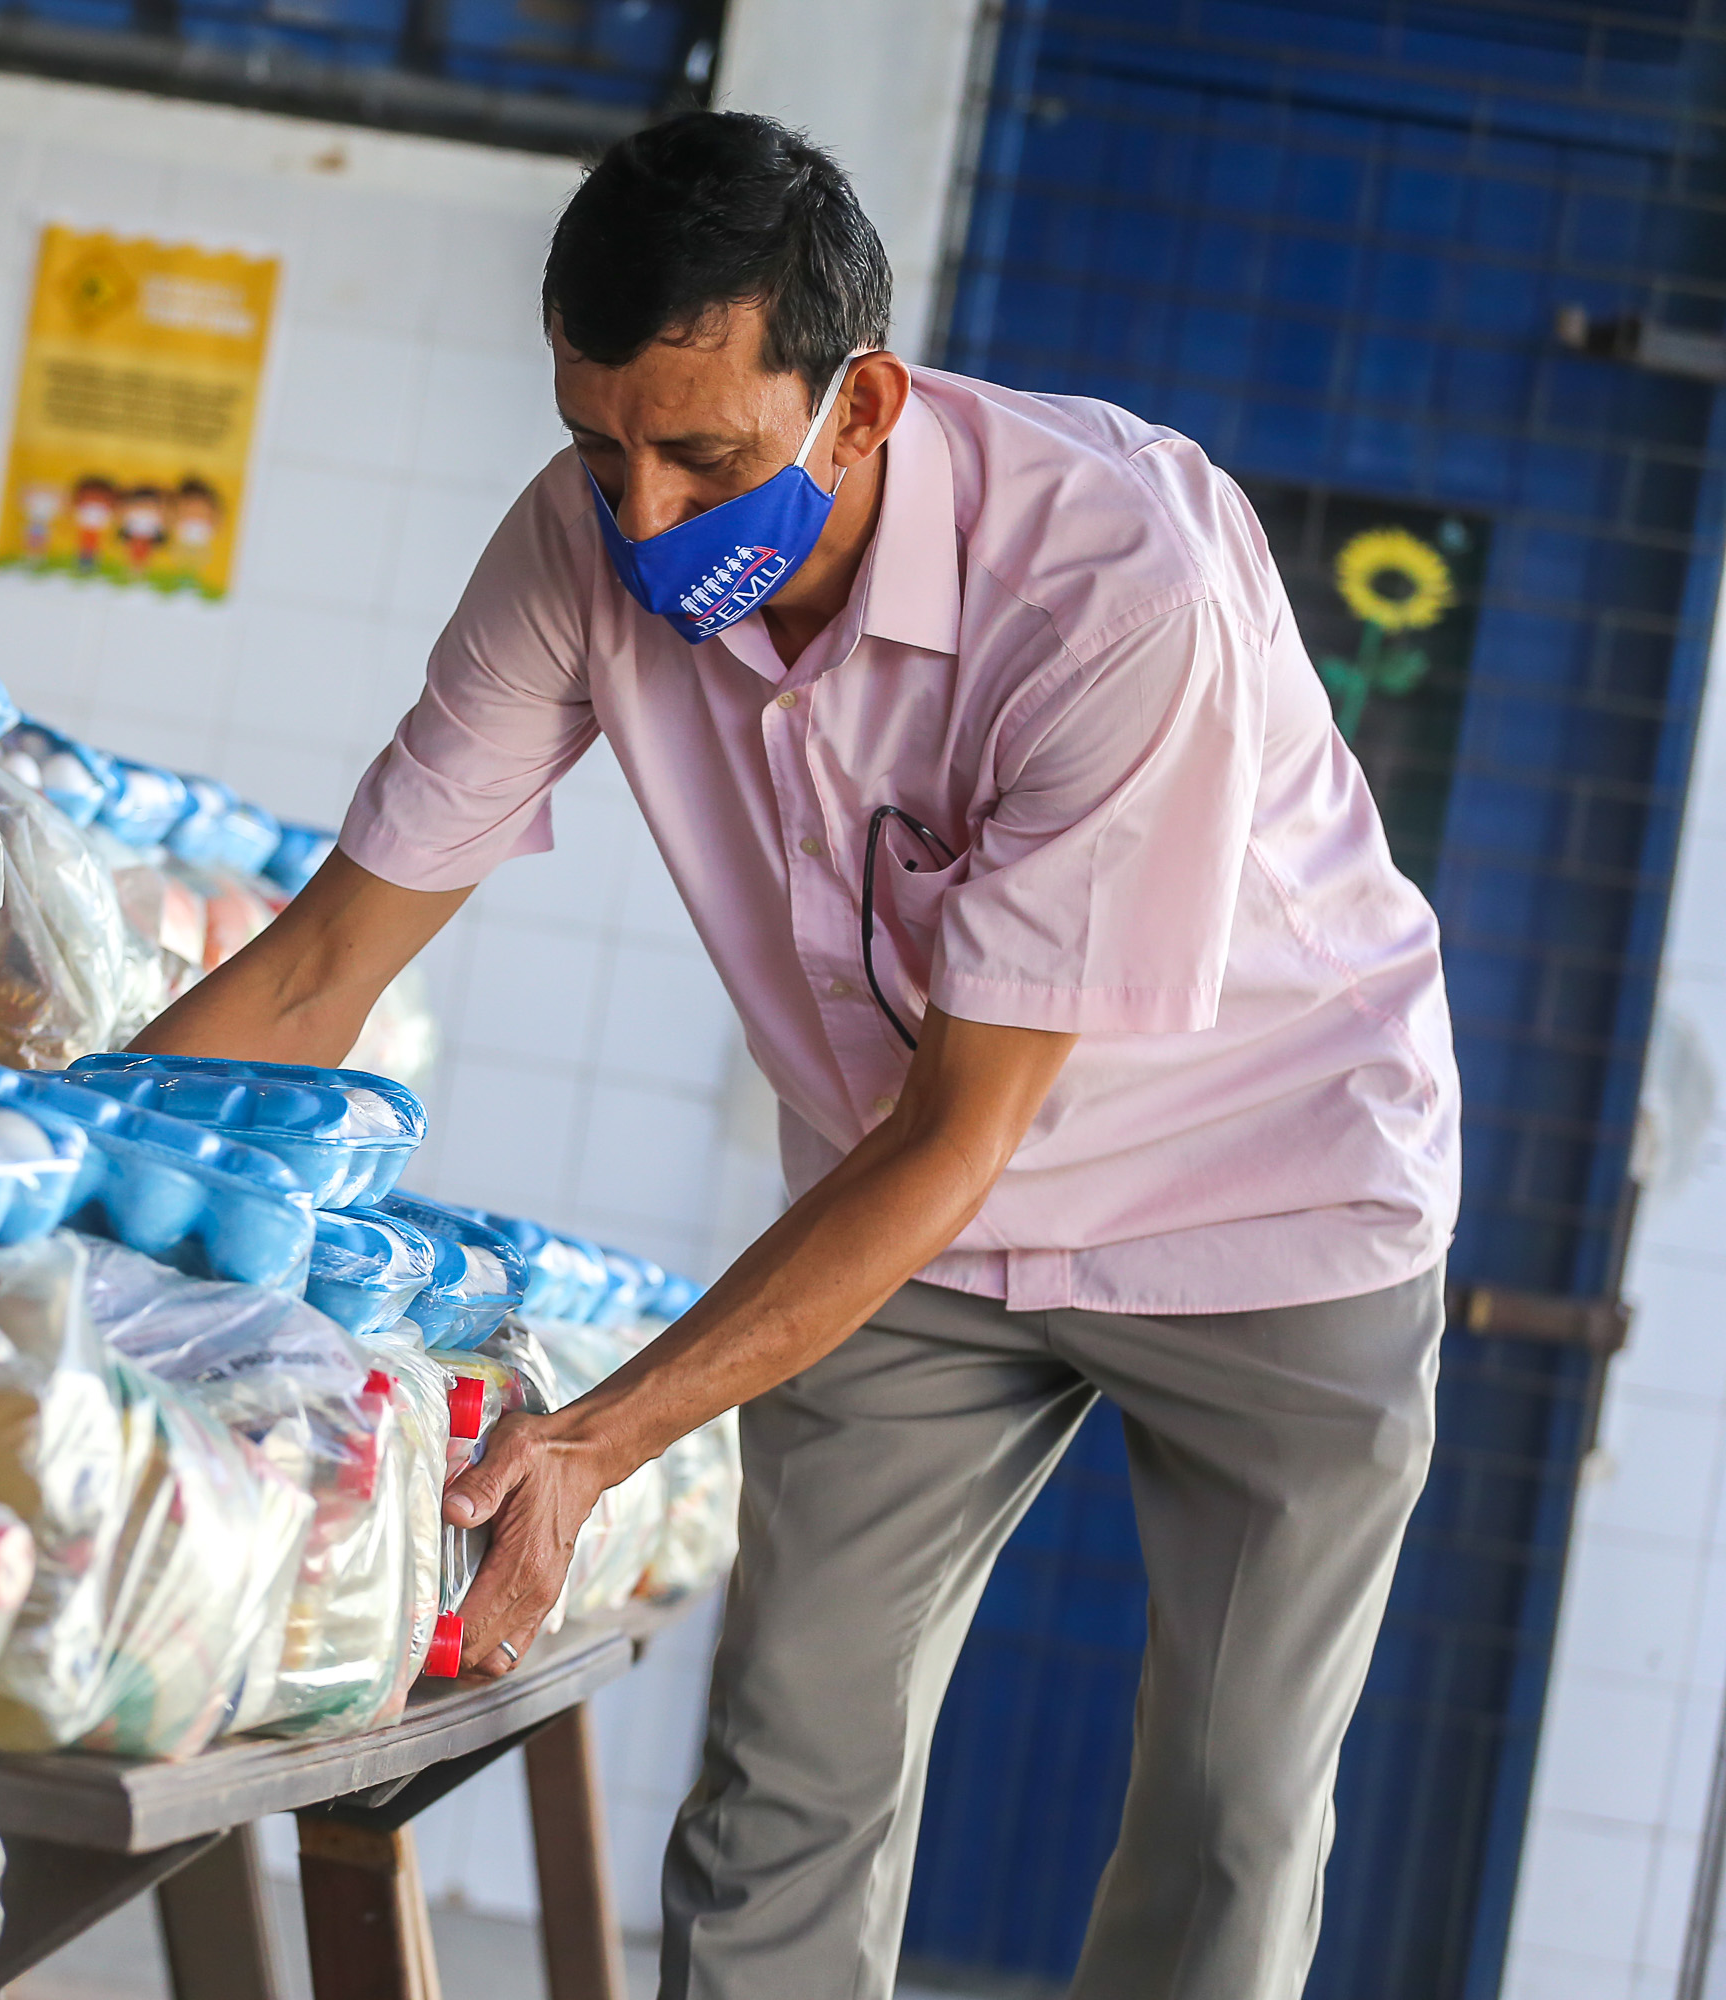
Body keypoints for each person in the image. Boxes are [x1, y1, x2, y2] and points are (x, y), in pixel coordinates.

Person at [129, 109, 1456, 2000]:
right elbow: (328, 958)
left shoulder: (1107, 588)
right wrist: (47, 1187)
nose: (646, 519)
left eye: (705, 454)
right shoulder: (578, 547)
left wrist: (591, 1443)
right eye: (602, 448)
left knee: (1230, 1815)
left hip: (1269, 1190)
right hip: (907, 1216)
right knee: (781, 1783)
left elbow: (956, 1134)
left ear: (862, 407)